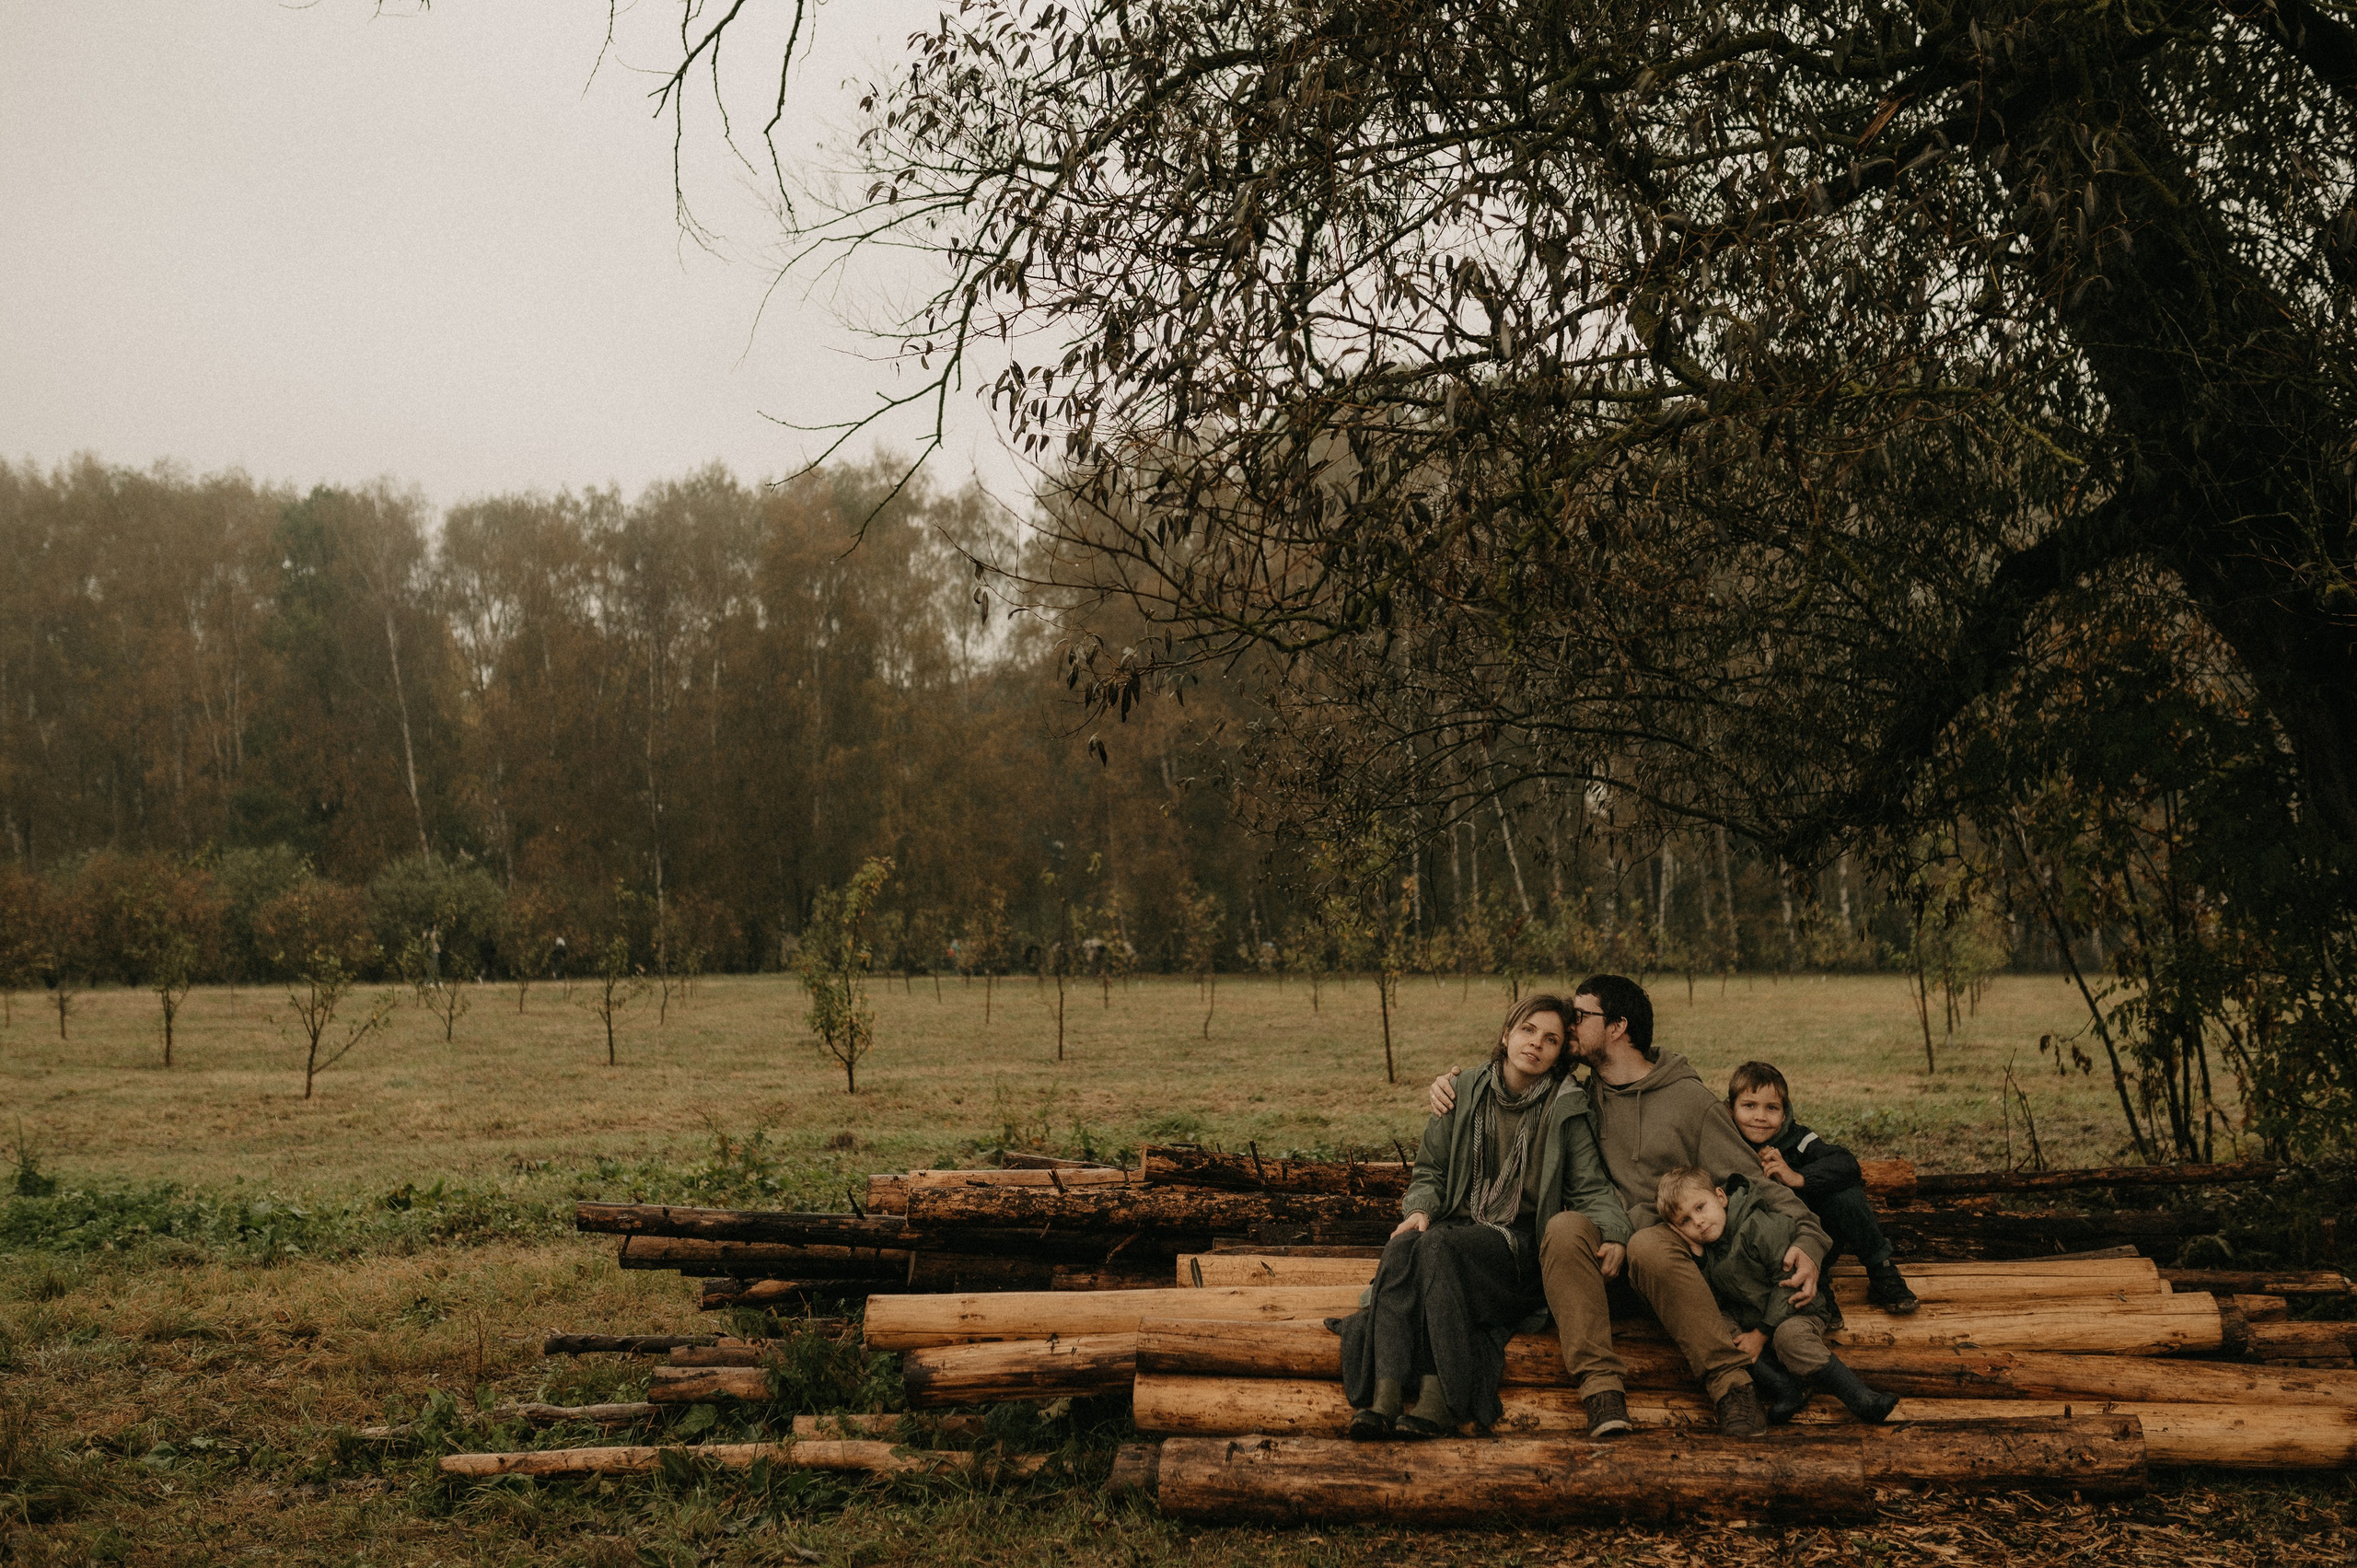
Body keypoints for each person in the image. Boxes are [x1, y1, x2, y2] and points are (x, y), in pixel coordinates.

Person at [1429, 974, 1831, 1436]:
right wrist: (1451, 1084)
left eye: (1580, 1017)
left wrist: (1809, 1241)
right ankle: (1602, 1393)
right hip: (1601, 1266)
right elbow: (1508, 1072)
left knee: (1648, 1244)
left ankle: (1732, 1387)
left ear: (1618, 1027)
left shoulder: (1689, 1102)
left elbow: (1757, 1183)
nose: (1568, 1024)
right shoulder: (1576, 1094)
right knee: (1563, 1229)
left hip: (1670, 1268)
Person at [1339, 994, 1633, 1440]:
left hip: (1516, 1251)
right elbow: (1430, 1172)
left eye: (1551, 1039)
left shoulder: (1565, 1108)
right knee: (1406, 1245)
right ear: (1506, 1034)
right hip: (1458, 1232)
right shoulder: (1461, 1090)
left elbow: (1592, 1188)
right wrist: (1419, 1210)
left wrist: (1614, 1233)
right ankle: (1384, 1398)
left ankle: (1442, 1402)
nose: (1536, 1044)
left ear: (1559, 1055)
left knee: (1440, 1246)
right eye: (1528, 1030)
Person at [1655, 1165, 1898, 1423]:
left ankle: (1862, 1398)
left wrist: (1760, 1334)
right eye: (1686, 1221)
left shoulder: (1757, 1226)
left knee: (1789, 1338)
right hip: (1753, 1317)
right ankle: (1787, 1388)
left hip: (1797, 1306)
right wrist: (1700, 1260)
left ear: (1720, 1197)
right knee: (1719, 1330)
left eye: (1700, 1207)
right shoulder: (1708, 1251)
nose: (1699, 1222)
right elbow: (1713, 1301)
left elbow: (1790, 1280)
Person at [1725, 1061, 1920, 1314]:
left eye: (1771, 1108)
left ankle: (1881, 1271)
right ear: (1730, 1109)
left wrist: (1797, 1177)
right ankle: (1818, 1287)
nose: (1760, 1116)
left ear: (1784, 1113)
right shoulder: (1725, 1141)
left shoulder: (1796, 1138)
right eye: (1749, 1106)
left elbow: (1846, 1163)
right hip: (1768, 1251)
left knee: (1846, 1195)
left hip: (1818, 1239)